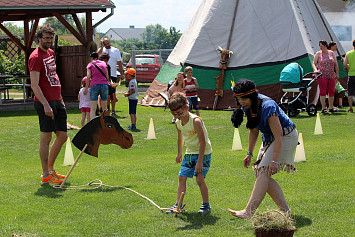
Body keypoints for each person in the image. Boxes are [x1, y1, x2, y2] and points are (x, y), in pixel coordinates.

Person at [228, 79, 298, 219]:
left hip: (286, 136)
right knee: (261, 173)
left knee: (263, 171)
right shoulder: (248, 106)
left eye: (244, 98)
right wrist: (249, 153)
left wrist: (275, 161)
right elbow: (253, 130)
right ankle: (285, 210)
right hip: (270, 138)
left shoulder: (268, 106)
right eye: (239, 99)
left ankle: (249, 212)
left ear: (252, 95)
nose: (242, 102)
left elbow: (279, 136)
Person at [29, 24, 67, 184]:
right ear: (39, 39)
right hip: (45, 102)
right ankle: (46, 175)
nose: (49, 41)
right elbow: (34, 85)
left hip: (57, 100)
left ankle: (51, 170)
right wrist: (45, 104)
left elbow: (53, 77)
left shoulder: (51, 53)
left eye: (51, 38)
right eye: (46, 38)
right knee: (46, 138)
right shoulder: (35, 57)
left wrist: (60, 99)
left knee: (63, 136)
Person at [166, 92, 213, 214]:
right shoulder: (177, 123)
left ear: (186, 108)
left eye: (180, 113)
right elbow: (180, 138)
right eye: (174, 114)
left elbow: (203, 142)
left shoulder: (196, 121)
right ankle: (178, 205)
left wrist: (199, 162)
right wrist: (179, 153)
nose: (178, 116)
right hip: (190, 152)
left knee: (199, 179)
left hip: (203, 153)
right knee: (182, 177)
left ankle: (206, 205)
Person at [97, 38, 125, 115]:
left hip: (113, 74)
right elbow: (96, 56)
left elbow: (119, 63)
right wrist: (101, 47)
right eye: (104, 43)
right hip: (103, 75)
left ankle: (113, 110)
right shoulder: (101, 49)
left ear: (110, 42)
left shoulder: (115, 50)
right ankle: (103, 109)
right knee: (103, 93)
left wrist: (122, 74)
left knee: (112, 93)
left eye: (107, 43)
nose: (106, 45)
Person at [312, 40, 339, 114]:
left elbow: (336, 64)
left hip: (331, 74)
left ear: (325, 46)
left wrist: (337, 74)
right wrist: (315, 70)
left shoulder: (331, 53)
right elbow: (314, 63)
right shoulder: (318, 54)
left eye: (322, 46)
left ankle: (331, 107)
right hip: (322, 74)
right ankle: (323, 108)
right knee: (323, 91)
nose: (320, 47)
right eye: (320, 46)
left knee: (332, 90)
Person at [84, 52, 110, 121]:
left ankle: (93, 123)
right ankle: (105, 122)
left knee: (93, 108)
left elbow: (88, 76)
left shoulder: (90, 64)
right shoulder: (104, 63)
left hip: (94, 85)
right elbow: (107, 76)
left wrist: (86, 88)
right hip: (104, 84)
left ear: (91, 58)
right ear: (98, 57)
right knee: (104, 107)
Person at [343, 39, 355, 113]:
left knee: (350, 92)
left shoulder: (348, 53)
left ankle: (351, 108)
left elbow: (344, 65)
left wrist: (349, 66)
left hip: (351, 75)